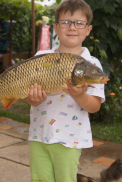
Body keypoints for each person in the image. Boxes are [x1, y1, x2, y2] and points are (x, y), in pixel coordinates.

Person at [25, 0, 105, 181]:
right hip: (39, 135)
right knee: (39, 179)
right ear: (56, 27)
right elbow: (29, 98)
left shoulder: (92, 66)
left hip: (69, 139)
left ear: (88, 29)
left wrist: (80, 95)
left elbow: (94, 107)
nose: (72, 27)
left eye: (79, 23)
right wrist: (33, 99)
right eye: (65, 22)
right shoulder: (41, 58)